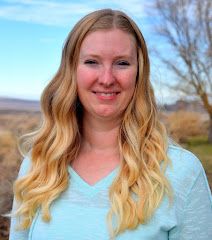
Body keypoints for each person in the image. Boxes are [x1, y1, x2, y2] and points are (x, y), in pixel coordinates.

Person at [9, 9, 212, 240]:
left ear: (139, 73)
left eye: (122, 63)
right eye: (92, 62)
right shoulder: (38, 166)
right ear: (72, 71)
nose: (106, 79)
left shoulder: (182, 173)